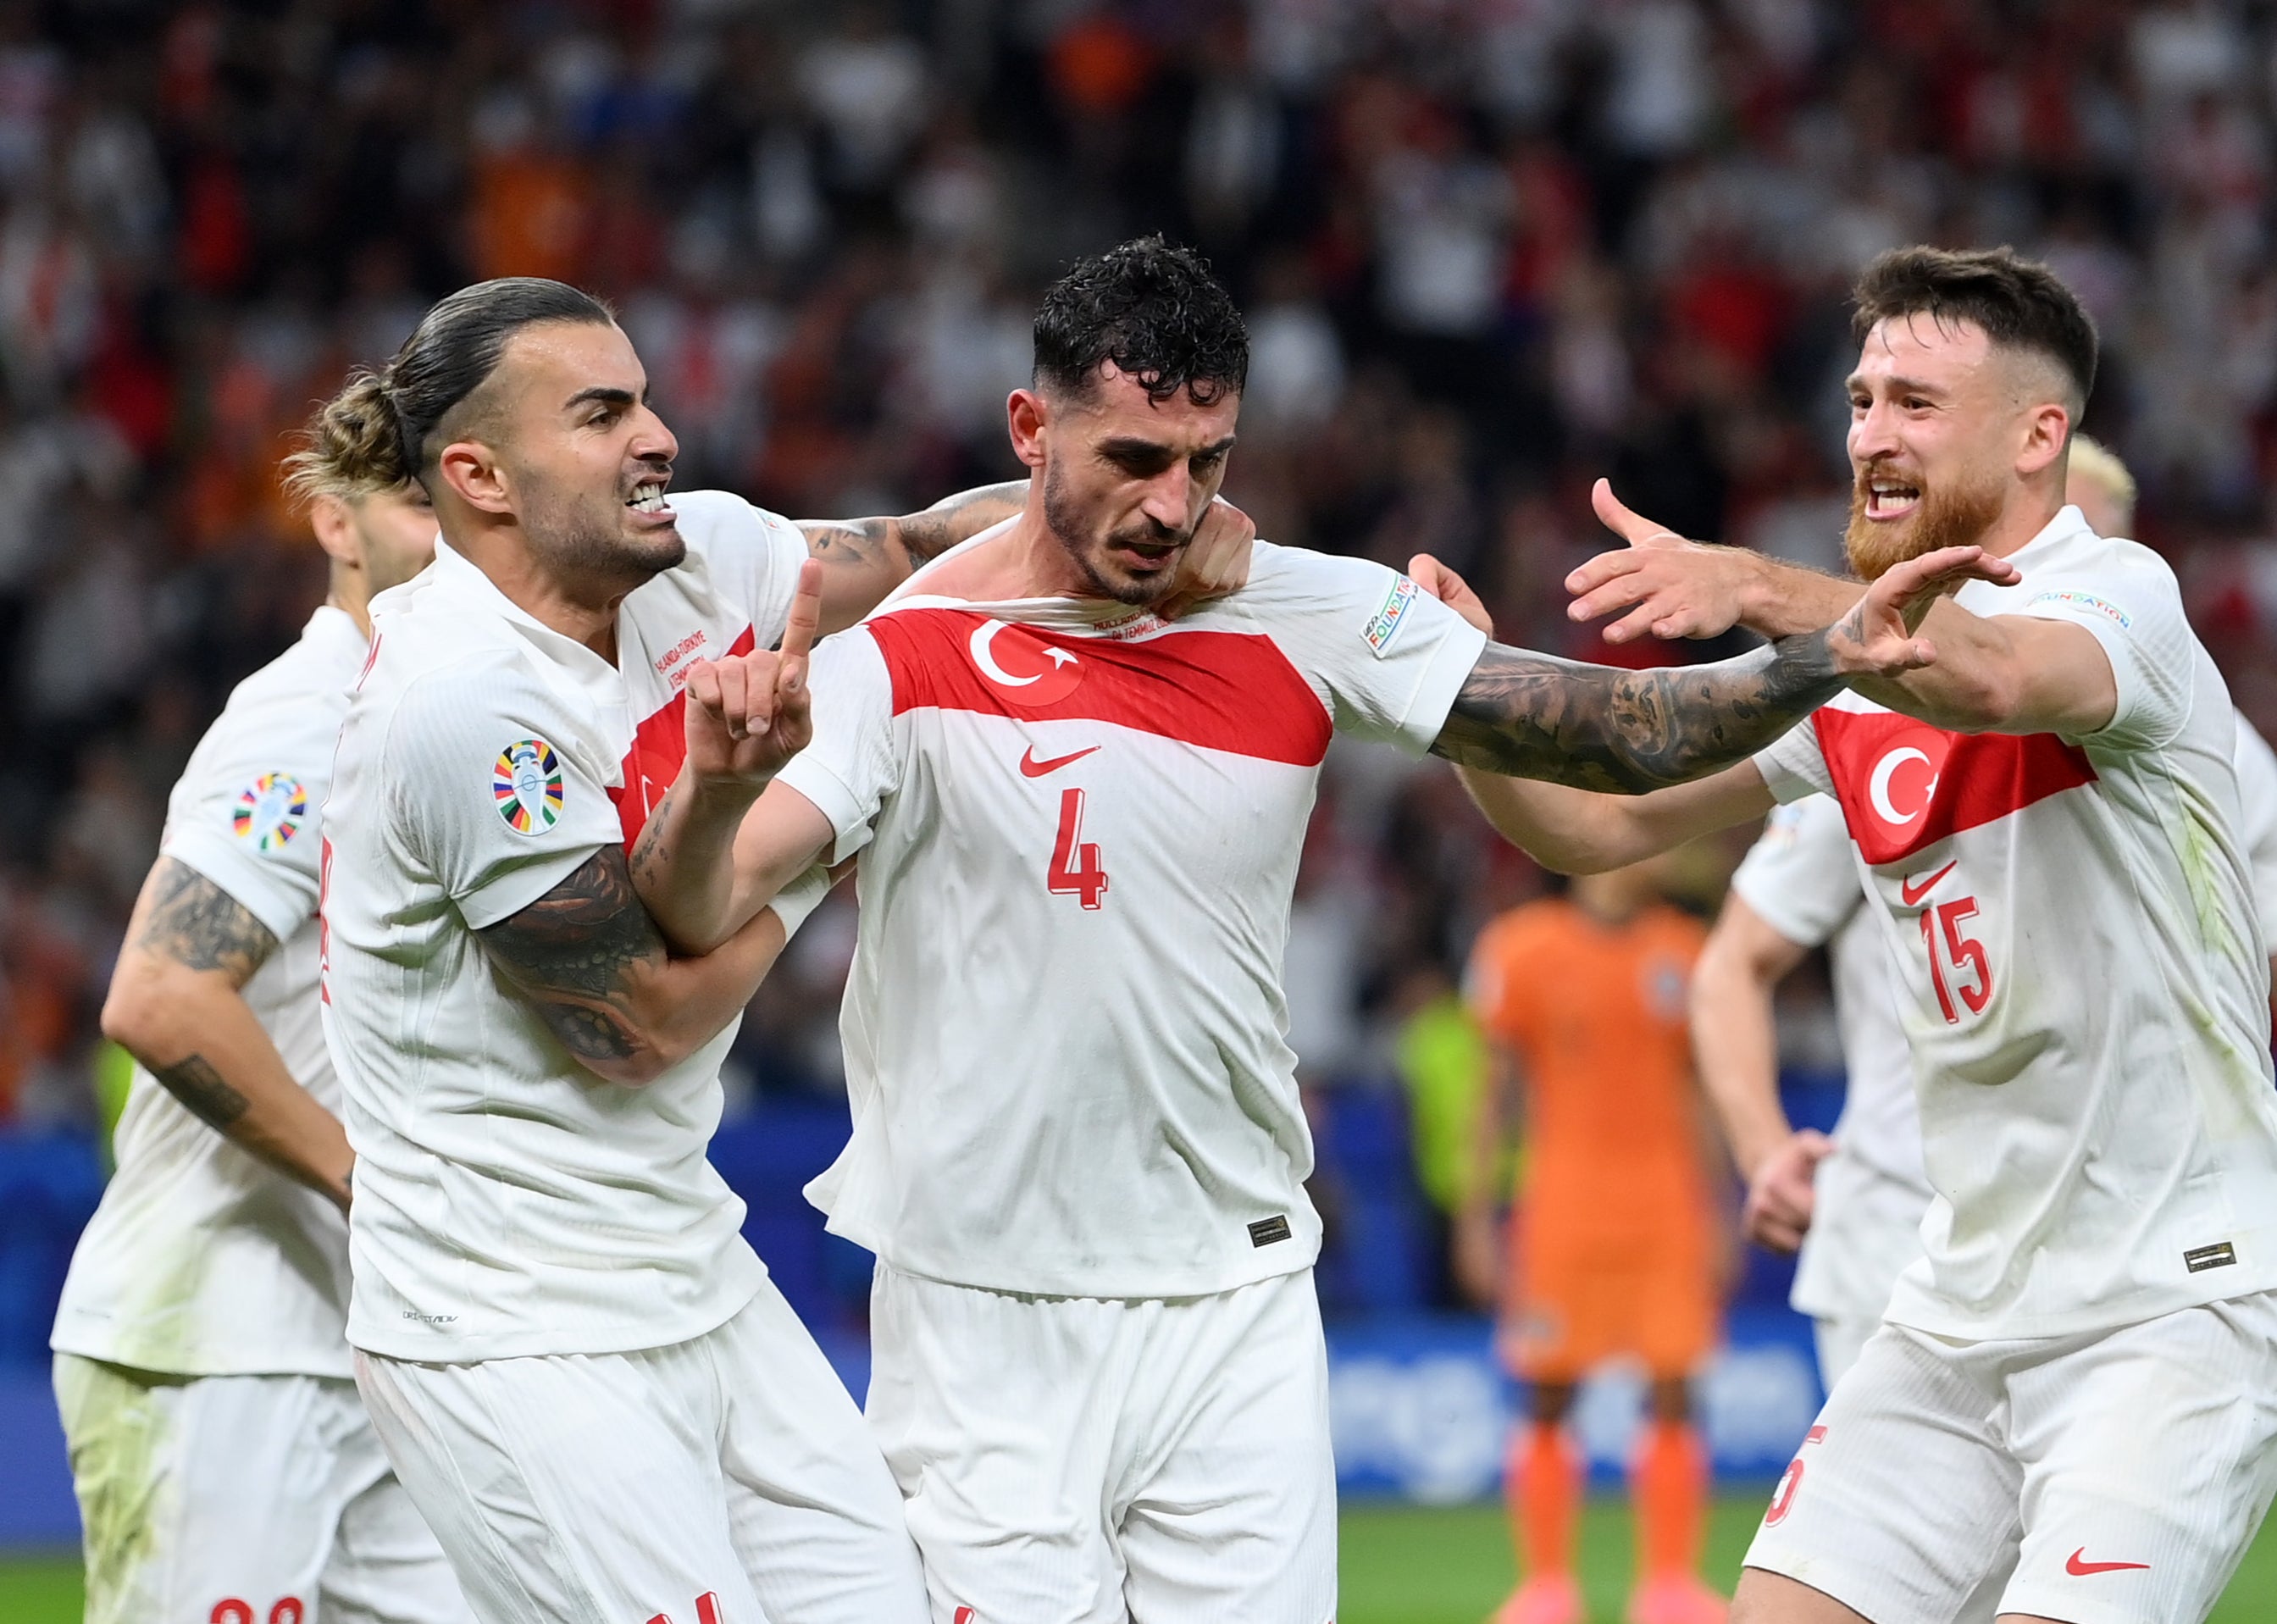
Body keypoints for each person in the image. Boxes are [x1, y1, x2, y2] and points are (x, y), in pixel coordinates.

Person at [622, 236, 1989, 1624]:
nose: (1173, 502)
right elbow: (709, 899)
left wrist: (1816, 651)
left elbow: (1613, 738)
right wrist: (715, 786)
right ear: (1030, 428)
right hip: (987, 1309)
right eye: (1134, 457)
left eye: (1207, 462)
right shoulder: (900, 653)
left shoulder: (1313, 610)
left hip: (1240, 1299)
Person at [1422, 245, 2277, 1624]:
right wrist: (1461, 700)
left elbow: (1980, 670)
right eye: (1861, 399)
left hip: (2177, 1300)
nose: (1869, 435)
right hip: (1959, 1300)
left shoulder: (2125, 601)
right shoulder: (1843, 684)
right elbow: (1603, 825)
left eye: (1915, 402)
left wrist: (1749, 583)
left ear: (2041, 434)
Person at [313, 275, 1191, 1624]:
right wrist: (838, 817)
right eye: (601, 414)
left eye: (646, 398)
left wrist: (1130, 517)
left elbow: (922, 545)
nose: (656, 434)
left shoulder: (704, 557)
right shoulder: (459, 703)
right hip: (509, 1322)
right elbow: (639, 1030)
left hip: (688, 1263)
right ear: (480, 475)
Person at [1693, 437, 2277, 1393]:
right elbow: (1731, 962)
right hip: (1905, 1230)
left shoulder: (2223, 756)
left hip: (2144, 1230)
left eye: (2098, 555)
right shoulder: (1877, 723)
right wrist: (1761, 1145)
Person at [50, 441, 463, 1624]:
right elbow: (161, 997)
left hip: (384, 1343)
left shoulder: (447, 726)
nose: (455, 533)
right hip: (223, 1342)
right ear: (336, 525)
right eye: (413, 503)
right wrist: (373, 1183)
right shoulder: (303, 719)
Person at [1462, 862, 1730, 1624]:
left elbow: (1697, 1091)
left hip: (1666, 1205)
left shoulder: (1685, 950)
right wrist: (1478, 1217)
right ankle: (1547, 1588)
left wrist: (1719, 1210)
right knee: (1549, 1388)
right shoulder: (1520, 948)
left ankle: (1670, 1586)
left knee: (1676, 1384)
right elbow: (1496, 1095)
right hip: (1563, 1208)